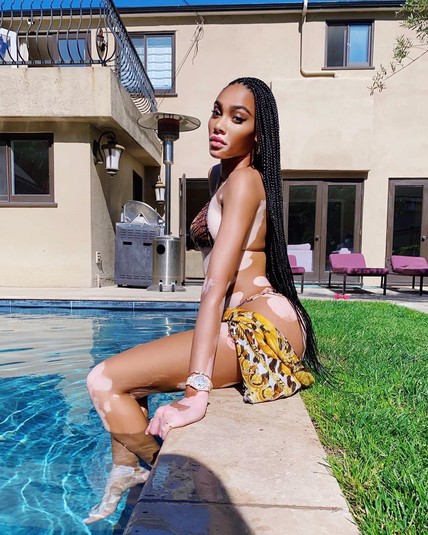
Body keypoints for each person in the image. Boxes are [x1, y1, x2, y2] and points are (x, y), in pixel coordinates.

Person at [84, 77, 320, 524]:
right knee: (126, 376)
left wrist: (196, 391)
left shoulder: (245, 181)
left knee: (104, 380)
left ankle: (164, 473)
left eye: (237, 118)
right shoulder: (220, 176)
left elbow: (214, 286)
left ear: (258, 133)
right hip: (245, 316)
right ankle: (125, 470)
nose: (219, 124)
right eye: (217, 111)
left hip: (263, 327)